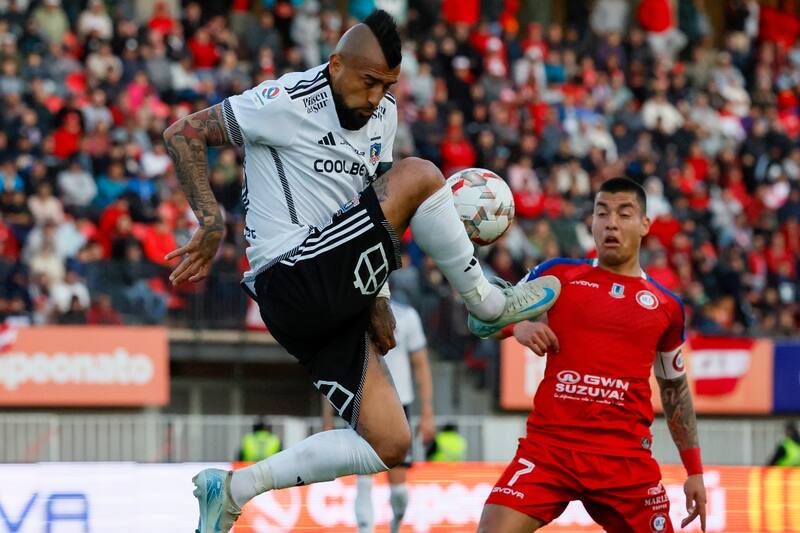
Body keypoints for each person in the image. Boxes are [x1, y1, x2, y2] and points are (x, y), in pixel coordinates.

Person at [161, 11, 560, 533]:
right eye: (368, 81)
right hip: (290, 273)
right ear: (335, 65)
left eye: (387, 85)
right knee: (421, 175)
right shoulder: (286, 101)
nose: (376, 97)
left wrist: (378, 298)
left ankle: (233, 489)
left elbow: (372, 210)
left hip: (329, 293)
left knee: (390, 442)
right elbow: (182, 132)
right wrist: (212, 223)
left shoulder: (384, 116)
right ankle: (486, 303)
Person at [476, 178, 707, 533]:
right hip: (550, 451)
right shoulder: (557, 275)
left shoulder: (666, 306)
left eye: (624, 213)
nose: (611, 222)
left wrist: (694, 471)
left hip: (625, 461)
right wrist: (517, 327)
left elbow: (674, 389)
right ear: (592, 222)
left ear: (645, 225)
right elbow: (481, 317)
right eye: (602, 213)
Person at [321, 298, 435, 533]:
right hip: (361, 403)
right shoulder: (350, 313)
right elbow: (333, 366)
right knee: (363, 477)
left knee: (399, 490)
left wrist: (427, 411)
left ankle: (396, 525)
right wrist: (328, 417)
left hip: (399, 404)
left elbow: (421, 364)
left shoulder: (407, 316)